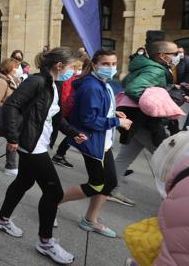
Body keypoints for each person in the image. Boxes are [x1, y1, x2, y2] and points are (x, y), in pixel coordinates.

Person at [0, 47, 86, 265]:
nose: (74, 72)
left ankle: (2, 218)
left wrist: (73, 133)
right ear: (59, 66)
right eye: (72, 67)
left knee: (23, 181)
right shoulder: (37, 81)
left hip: (39, 142)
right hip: (31, 145)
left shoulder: (55, 84)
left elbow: (57, 117)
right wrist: (14, 138)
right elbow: (12, 106)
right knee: (54, 193)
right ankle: (45, 242)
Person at [60, 50, 133, 238]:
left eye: (113, 64)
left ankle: (89, 220)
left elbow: (98, 109)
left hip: (103, 143)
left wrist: (112, 114)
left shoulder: (101, 83)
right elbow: (88, 120)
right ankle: (51, 202)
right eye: (106, 64)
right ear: (94, 65)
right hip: (93, 142)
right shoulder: (92, 86)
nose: (110, 68)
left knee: (109, 183)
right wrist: (117, 122)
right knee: (97, 185)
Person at [109, 41, 180, 207]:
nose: (177, 57)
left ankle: (112, 190)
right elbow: (133, 88)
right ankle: (174, 202)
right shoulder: (155, 69)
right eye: (174, 53)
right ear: (162, 56)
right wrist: (155, 104)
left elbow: (126, 83)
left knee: (124, 158)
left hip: (138, 121)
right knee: (167, 160)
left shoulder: (145, 66)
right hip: (147, 122)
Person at [52, 51, 91, 168]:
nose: (77, 70)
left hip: (66, 111)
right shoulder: (70, 79)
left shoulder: (75, 79)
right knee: (74, 133)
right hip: (65, 112)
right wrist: (66, 112)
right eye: (75, 67)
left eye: (79, 68)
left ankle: (60, 154)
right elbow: (67, 97)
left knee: (74, 133)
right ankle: (59, 155)